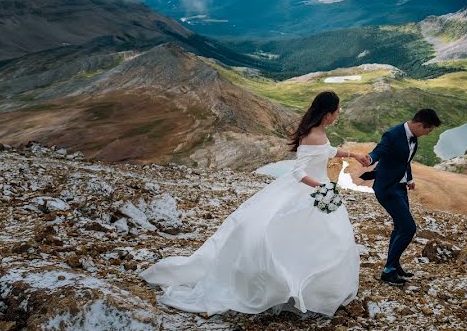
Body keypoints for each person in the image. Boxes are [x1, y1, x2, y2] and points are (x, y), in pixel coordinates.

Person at [141, 91, 367, 316]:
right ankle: (289, 286)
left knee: (323, 239)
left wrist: (353, 154)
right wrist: (320, 187)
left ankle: (314, 289)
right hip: (309, 191)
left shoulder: (319, 132)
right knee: (288, 236)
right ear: (327, 114)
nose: (338, 114)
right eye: (337, 110)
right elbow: (298, 172)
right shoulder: (310, 135)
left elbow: (326, 151)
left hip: (319, 190)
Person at [360, 109, 442, 286]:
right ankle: (388, 271)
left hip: (400, 186)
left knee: (399, 226)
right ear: (420, 125)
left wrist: (409, 179)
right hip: (387, 188)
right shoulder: (392, 134)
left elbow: (404, 161)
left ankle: (394, 265)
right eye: (428, 130)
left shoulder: (413, 137)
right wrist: (370, 158)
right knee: (408, 228)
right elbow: (379, 151)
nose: (428, 134)